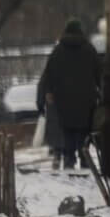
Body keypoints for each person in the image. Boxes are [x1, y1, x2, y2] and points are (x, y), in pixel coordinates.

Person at [39, 18, 102, 170]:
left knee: (67, 131)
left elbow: (48, 76)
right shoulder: (89, 50)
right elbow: (100, 74)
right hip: (85, 102)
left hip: (63, 101)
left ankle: (69, 159)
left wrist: (43, 98)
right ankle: (84, 159)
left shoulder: (58, 51)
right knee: (83, 132)